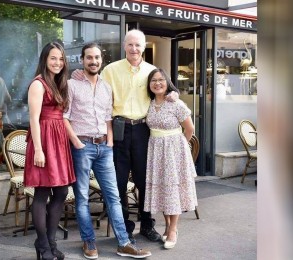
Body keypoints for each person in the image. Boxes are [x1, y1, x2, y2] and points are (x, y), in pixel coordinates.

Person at [72, 29, 178, 242]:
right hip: (117, 129)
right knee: (118, 182)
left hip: (142, 129)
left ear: (144, 46)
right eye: (130, 44)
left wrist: (172, 93)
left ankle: (147, 225)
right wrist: (78, 73)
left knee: (144, 180)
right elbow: (92, 83)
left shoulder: (151, 71)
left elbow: (163, 88)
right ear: (124, 46)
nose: (134, 48)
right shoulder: (110, 70)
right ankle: (126, 227)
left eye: (138, 45)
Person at [64, 43, 151, 259]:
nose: (93, 61)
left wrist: (110, 141)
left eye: (96, 58)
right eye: (89, 58)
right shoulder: (71, 84)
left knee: (114, 196)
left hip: (105, 147)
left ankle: (124, 242)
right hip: (82, 147)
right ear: (82, 60)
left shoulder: (106, 86)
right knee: (82, 197)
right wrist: (75, 141)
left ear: (101, 60)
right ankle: (89, 241)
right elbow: (64, 116)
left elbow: (107, 117)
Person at [24, 42, 76, 260]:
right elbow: (34, 120)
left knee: (62, 192)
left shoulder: (58, 83)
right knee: (42, 192)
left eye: (61, 59)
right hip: (43, 141)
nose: (57, 63)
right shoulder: (38, 84)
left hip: (58, 141)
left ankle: (50, 242)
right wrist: (38, 150)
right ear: (45, 59)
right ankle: (43, 246)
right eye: (53, 58)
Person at [143, 68, 198, 249]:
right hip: (156, 152)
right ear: (149, 85)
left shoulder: (176, 103)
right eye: (153, 81)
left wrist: (180, 147)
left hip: (174, 152)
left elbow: (189, 129)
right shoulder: (149, 103)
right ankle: (166, 225)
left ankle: (173, 229)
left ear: (167, 82)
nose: (157, 83)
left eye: (161, 80)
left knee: (173, 191)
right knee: (162, 191)